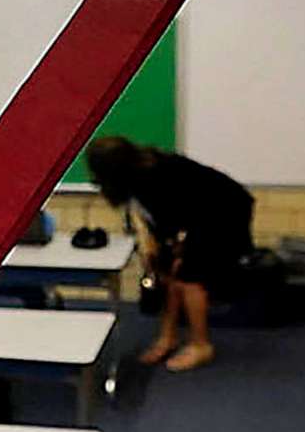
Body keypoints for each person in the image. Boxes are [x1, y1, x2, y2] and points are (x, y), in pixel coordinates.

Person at [85, 135, 255, 373]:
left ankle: (201, 345)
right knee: (166, 274)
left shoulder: (155, 179)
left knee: (189, 280)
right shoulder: (138, 173)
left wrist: (176, 253)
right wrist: (157, 251)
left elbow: (180, 220)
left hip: (225, 214)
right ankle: (168, 338)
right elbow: (155, 221)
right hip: (195, 216)